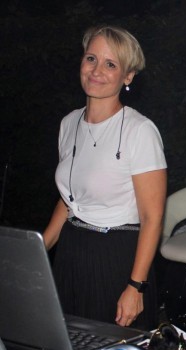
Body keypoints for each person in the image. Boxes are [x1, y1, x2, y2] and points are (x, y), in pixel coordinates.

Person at [43, 26, 167, 330]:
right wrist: (39, 249)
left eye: (110, 64)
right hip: (71, 252)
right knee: (68, 347)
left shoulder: (140, 131)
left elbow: (152, 218)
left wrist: (136, 286)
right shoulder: (69, 123)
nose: (97, 70)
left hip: (116, 257)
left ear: (128, 76)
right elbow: (70, 199)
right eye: (91, 59)